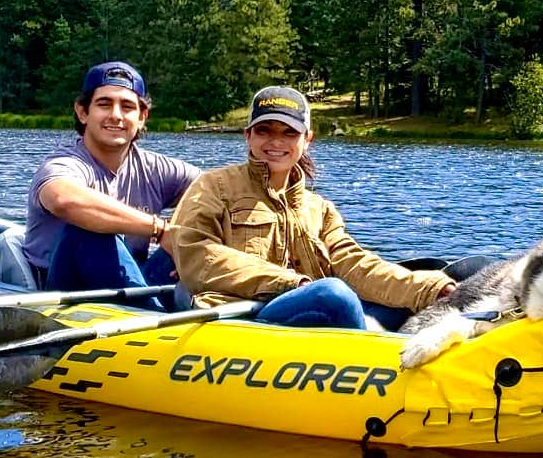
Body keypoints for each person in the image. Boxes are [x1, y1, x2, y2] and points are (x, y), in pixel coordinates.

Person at [170, 85, 457, 328]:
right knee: (332, 295)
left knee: (420, 297)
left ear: (307, 140)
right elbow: (197, 257)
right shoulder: (212, 186)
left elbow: (353, 264)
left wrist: (432, 289)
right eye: (264, 130)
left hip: (309, 306)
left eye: (289, 133)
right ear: (248, 135)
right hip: (242, 315)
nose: (275, 141)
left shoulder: (319, 208)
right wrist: (290, 284)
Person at [23, 61, 200, 303]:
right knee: (88, 231)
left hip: (135, 279)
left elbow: (220, 194)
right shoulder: (64, 163)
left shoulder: (158, 168)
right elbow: (64, 200)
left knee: (198, 228)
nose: (116, 115)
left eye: (127, 106)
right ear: (83, 112)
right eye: (104, 104)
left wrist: (193, 242)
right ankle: (153, 317)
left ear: (141, 117)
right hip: (65, 292)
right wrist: (159, 229)